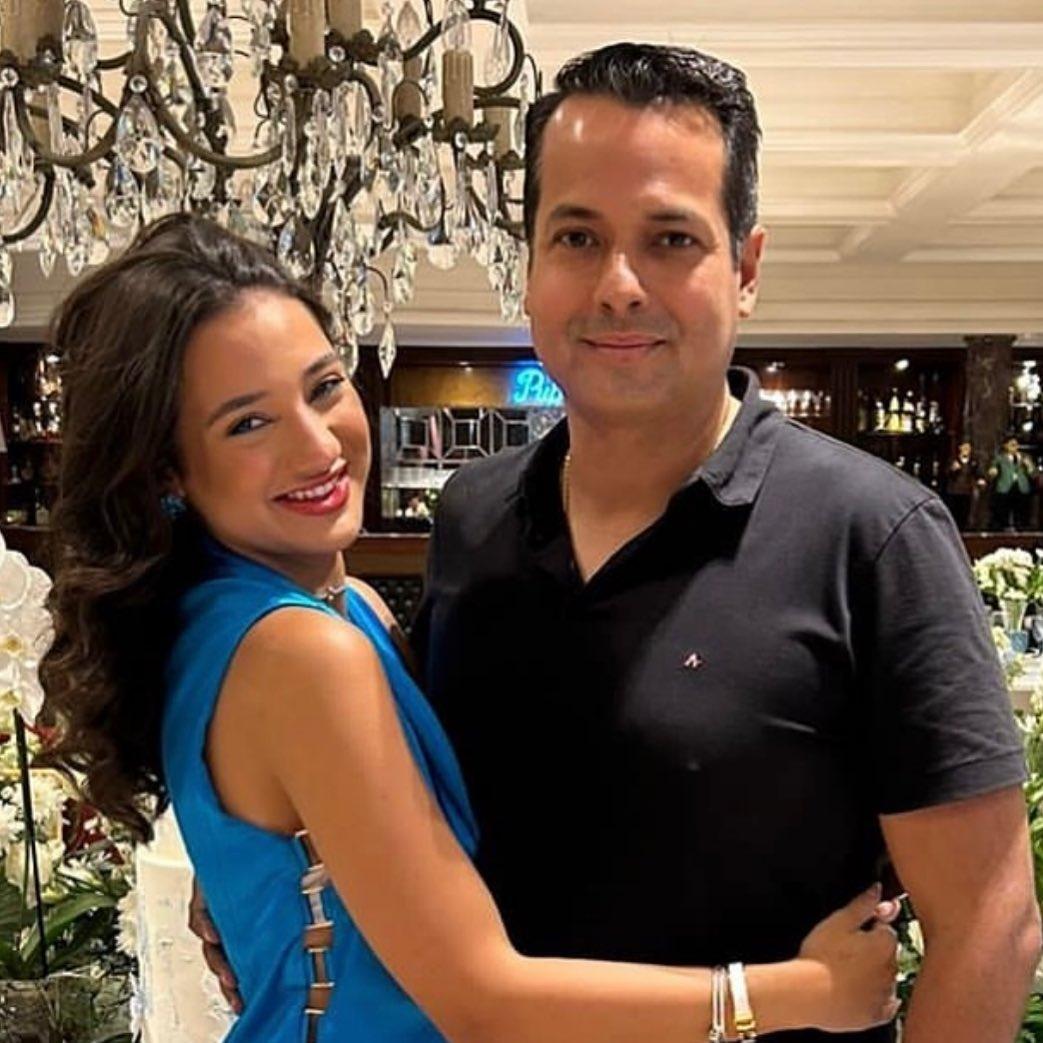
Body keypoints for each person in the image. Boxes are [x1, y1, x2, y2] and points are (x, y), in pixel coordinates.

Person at [37, 215, 900, 1043]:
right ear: (168, 470)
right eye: (247, 423)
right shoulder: (302, 651)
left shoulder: (310, 606)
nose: (317, 446)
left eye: (324, 386)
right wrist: (802, 991)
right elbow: (480, 1002)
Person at [407, 43, 1038, 1043]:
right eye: (576, 236)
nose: (618, 284)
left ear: (743, 269)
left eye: (670, 239)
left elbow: (989, 927)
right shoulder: (471, 515)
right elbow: (420, 810)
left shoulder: (871, 535)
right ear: (527, 263)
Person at [989, 435, 1036, 532]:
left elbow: (1033, 474)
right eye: (1012, 445)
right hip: (1005, 487)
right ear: (1006, 446)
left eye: (1016, 445)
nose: (1014, 447)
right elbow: (993, 469)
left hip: (1021, 487)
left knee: (1021, 511)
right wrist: (993, 472)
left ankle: (1021, 528)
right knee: (1003, 511)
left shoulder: (1025, 457)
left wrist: (1029, 466)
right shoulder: (1000, 458)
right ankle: (1004, 528)